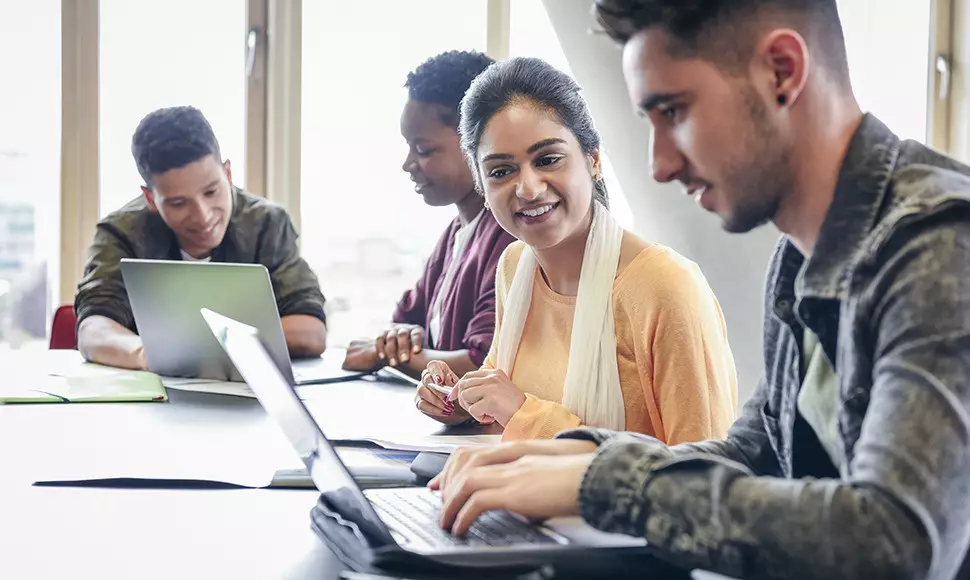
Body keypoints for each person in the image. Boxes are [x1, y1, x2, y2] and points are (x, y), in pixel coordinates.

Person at [429, 1, 970, 578]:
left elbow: (896, 541)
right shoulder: (801, 252)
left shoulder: (938, 246)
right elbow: (752, 455)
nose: (659, 165)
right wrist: (564, 457)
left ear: (782, 72)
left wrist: (605, 482)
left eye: (675, 112)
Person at [416, 57, 738, 443]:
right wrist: (459, 402)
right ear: (482, 189)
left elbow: (704, 477)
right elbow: (504, 406)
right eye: (501, 171)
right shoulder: (515, 268)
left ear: (594, 160)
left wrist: (524, 413)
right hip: (522, 497)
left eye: (548, 159)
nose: (529, 189)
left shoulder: (665, 287)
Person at [76, 106, 327, 371]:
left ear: (227, 175)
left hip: (249, 402)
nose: (202, 216)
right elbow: (94, 329)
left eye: (211, 192)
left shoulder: (267, 225)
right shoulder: (121, 232)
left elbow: (311, 331)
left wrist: (193, 347)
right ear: (151, 199)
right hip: (155, 397)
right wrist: (147, 355)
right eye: (178, 203)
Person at [342, 51, 516, 380]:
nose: (408, 164)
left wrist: (384, 353)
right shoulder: (455, 233)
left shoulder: (510, 237)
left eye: (423, 150)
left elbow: (481, 364)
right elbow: (405, 321)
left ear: (476, 142)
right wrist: (395, 344)